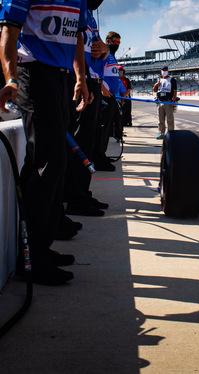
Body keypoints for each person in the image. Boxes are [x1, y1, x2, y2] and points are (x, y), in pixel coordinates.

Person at [0, 0, 92, 285]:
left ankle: (43, 247)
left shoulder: (79, 0)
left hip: (61, 77)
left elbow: (76, 37)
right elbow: (8, 35)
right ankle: (33, 258)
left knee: (57, 163)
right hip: (33, 74)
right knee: (45, 163)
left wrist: (81, 78)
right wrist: (12, 79)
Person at [64, 0, 111, 218]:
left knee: (88, 142)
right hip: (75, 78)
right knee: (79, 142)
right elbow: (76, 44)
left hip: (90, 78)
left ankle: (82, 193)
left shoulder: (90, 14)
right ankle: (76, 198)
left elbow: (98, 51)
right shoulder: (77, 7)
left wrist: (105, 49)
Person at [92, 31, 123, 171]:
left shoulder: (113, 57)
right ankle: (98, 158)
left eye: (118, 43)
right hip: (103, 96)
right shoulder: (103, 53)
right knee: (102, 128)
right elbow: (94, 68)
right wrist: (102, 86)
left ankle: (101, 155)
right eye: (114, 42)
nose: (116, 45)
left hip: (112, 97)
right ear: (107, 40)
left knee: (107, 128)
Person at [153, 66, 177, 139]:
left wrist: (173, 100)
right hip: (160, 101)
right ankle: (161, 133)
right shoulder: (159, 80)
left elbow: (175, 91)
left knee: (170, 119)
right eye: (163, 70)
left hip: (168, 101)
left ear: (168, 71)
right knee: (160, 119)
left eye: (165, 70)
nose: (164, 71)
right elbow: (154, 90)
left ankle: (171, 134)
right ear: (161, 71)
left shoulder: (172, 80)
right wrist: (155, 85)